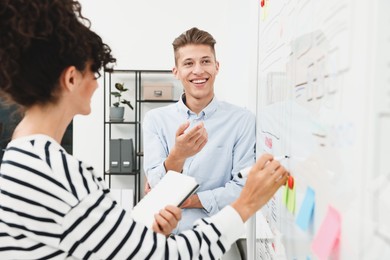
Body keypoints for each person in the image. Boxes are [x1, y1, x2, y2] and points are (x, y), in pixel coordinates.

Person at [0, 1, 289, 259]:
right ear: (72, 79)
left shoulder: (21, 158)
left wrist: (144, 232)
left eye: (205, 62)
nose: (97, 85)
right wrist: (248, 202)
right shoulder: (55, 172)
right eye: (94, 72)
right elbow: (166, 255)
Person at [143, 27, 256, 234]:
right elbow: (155, 187)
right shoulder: (155, 120)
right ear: (176, 72)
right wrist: (177, 155)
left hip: (216, 241)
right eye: (188, 63)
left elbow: (243, 188)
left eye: (205, 61)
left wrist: (189, 200)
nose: (198, 70)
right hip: (164, 241)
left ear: (216, 66)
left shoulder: (241, 120)